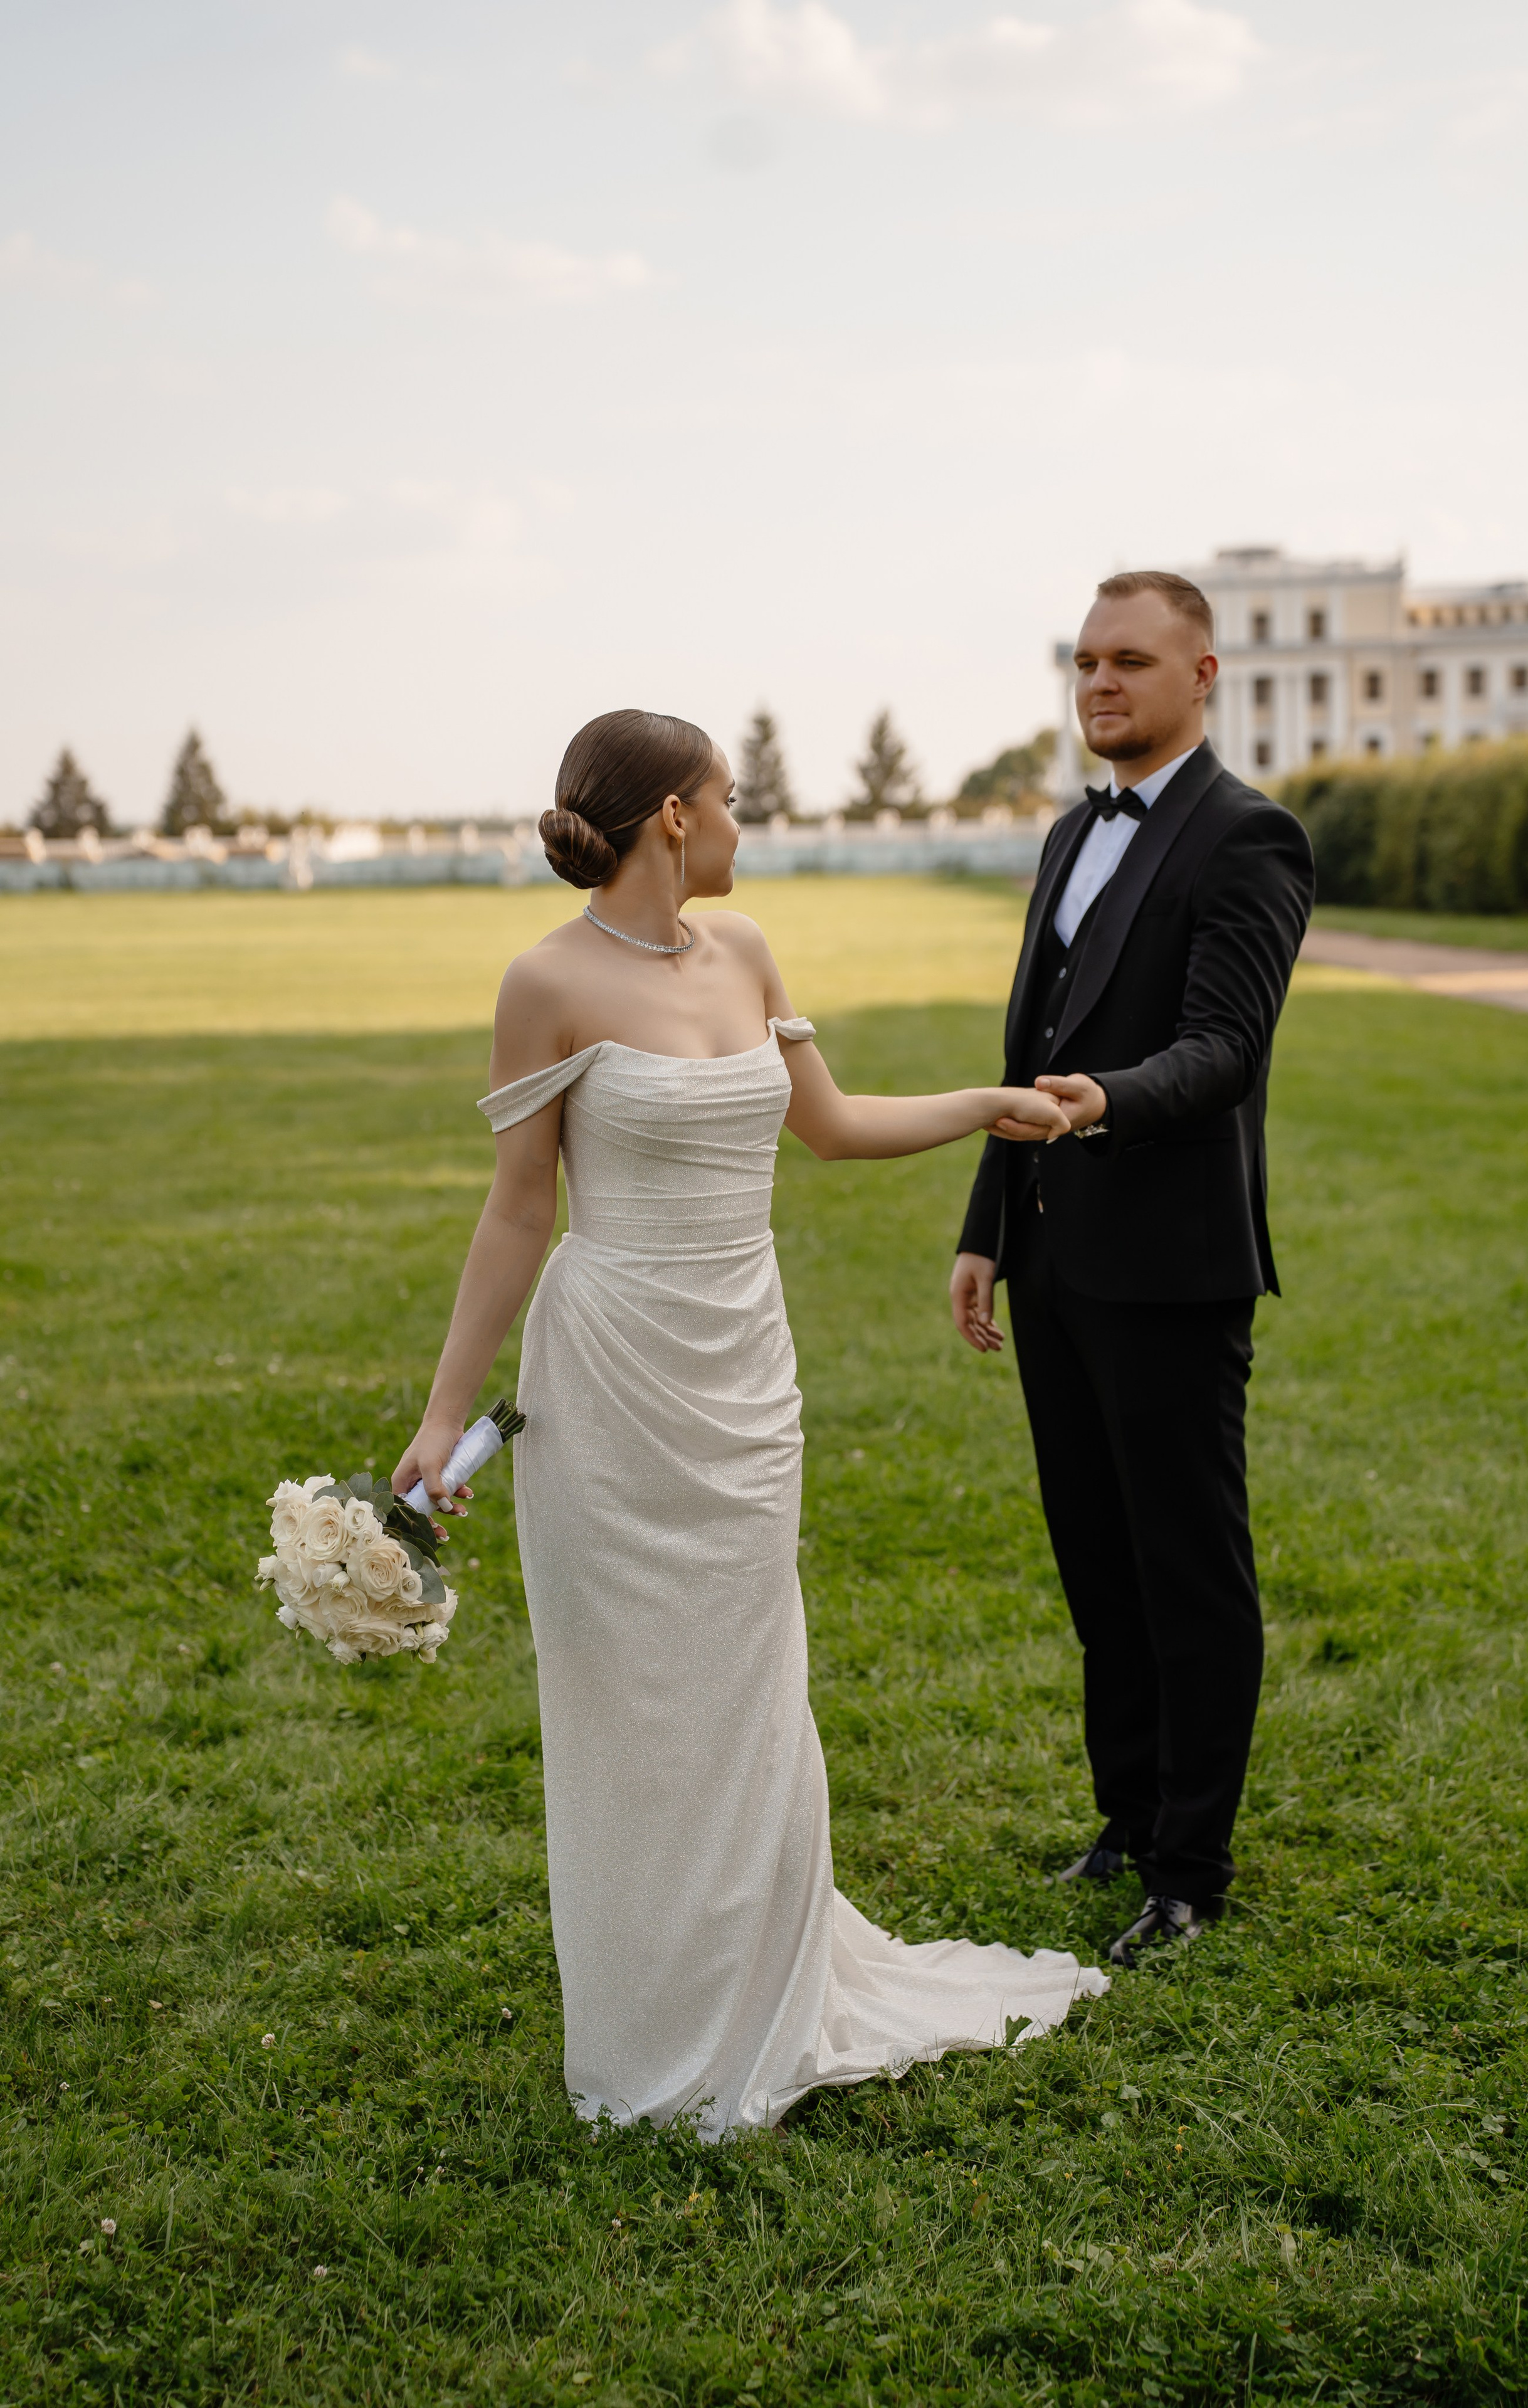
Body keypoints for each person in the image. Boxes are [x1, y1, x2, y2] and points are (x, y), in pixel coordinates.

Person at [395, 707, 1107, 2137]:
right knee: (632, 1700)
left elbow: (827, 1128)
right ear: (671, 816)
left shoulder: (748, 951)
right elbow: (519, 1207)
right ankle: (653, 2019)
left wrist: (984, 1103)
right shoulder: (543, 982)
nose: (739, 822)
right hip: (613, 1374)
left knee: (745, 1681)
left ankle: (766, 1983)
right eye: (727, 798)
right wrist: (441, 1415)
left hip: (743, 1368)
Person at [951, 573, 1314, 1967]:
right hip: (1053, 1257)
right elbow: (1024, 1038)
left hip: (1169, 1264)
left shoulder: (1247, 837)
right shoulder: (1065, 831)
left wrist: (1101, 1099)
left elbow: (1225, 1049)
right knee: (1096, 1563)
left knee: (1186, 1570)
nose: (1099, 684)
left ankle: (1188, 1866)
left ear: (1200, 673)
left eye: (1129, 662)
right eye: (1085, 661)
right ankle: (1122, 1815)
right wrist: (988, 1227)